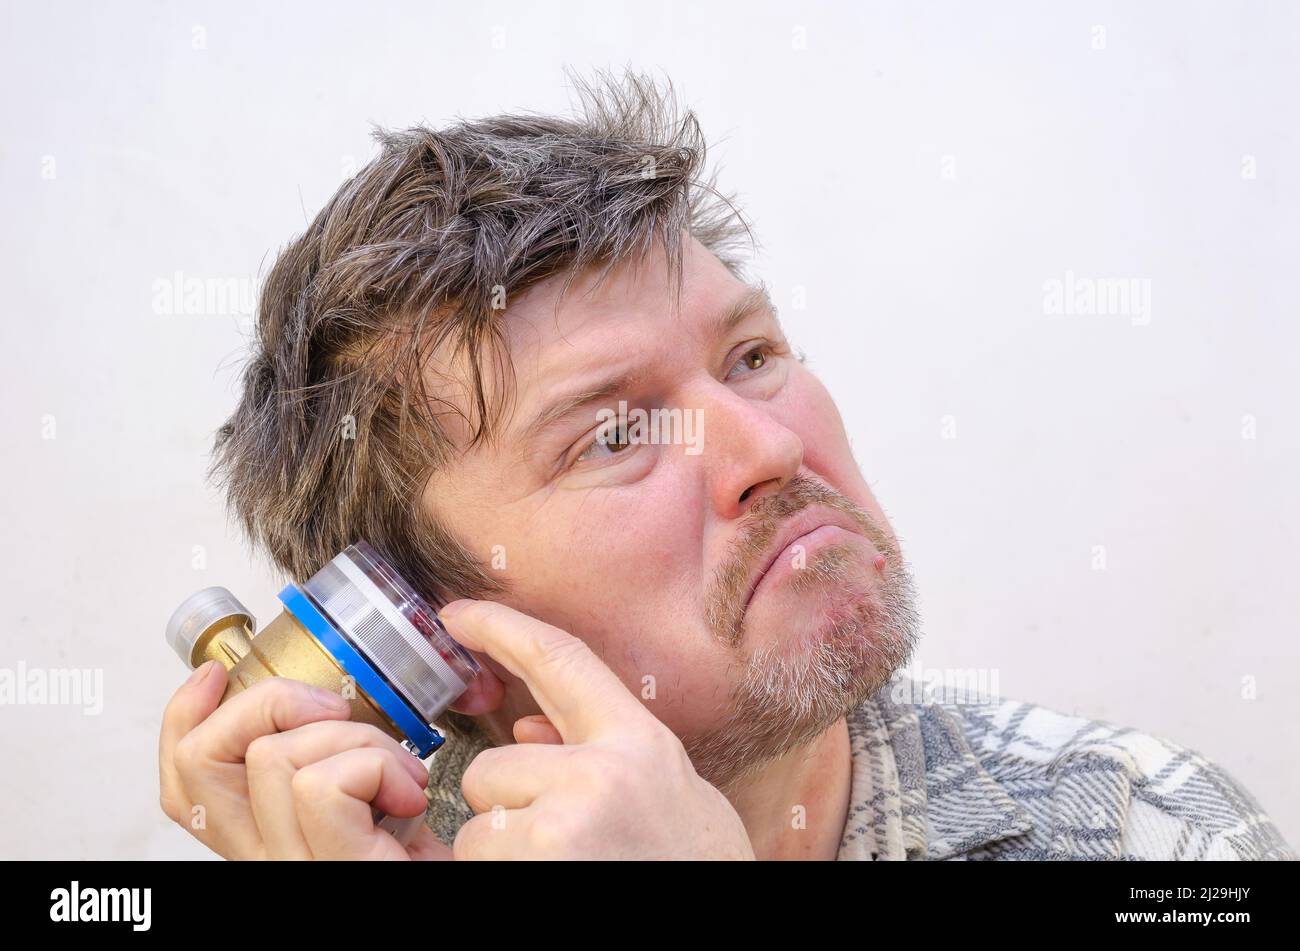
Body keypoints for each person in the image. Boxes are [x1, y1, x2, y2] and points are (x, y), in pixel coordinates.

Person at [158, 72, 1293, 861]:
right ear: (428, 643)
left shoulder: (1156, 833)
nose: (772, 445)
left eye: (751, 357)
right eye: (614, 434)